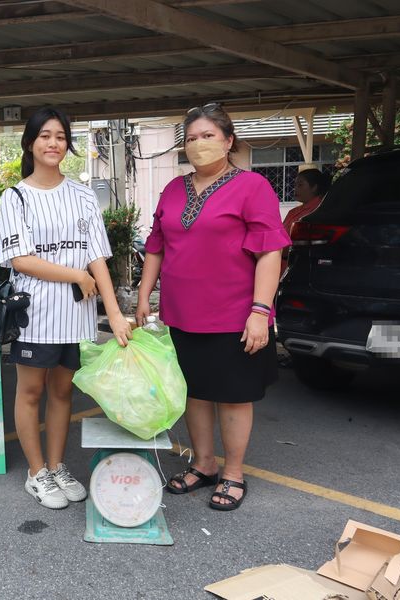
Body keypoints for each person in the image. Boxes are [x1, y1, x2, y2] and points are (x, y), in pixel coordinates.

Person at [135, 103, 290, 512]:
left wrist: (260, 311)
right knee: (195, 393)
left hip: (235, 315)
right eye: (191, 138)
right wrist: (144, 296)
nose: (198, 144)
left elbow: (270, 252)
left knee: (234, 396)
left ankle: (233, 473)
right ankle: (203, 464)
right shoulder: (173, 189)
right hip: (181, 314)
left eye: (208, 136)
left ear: (228, 141)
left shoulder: (253, 186)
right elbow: (156, 246)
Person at [0, 107, 132, 510]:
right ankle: (36, 473)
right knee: (30, 391)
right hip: (35, 315)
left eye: (60, 136)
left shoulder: (83, 194)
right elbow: (21, 260)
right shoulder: (16, 197)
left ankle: (56, 466)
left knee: (61, 391)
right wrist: (75, 275)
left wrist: (115, 314)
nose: (53, 143)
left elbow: (97, 258)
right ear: (30, 144)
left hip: (76, 315)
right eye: (45, 136)